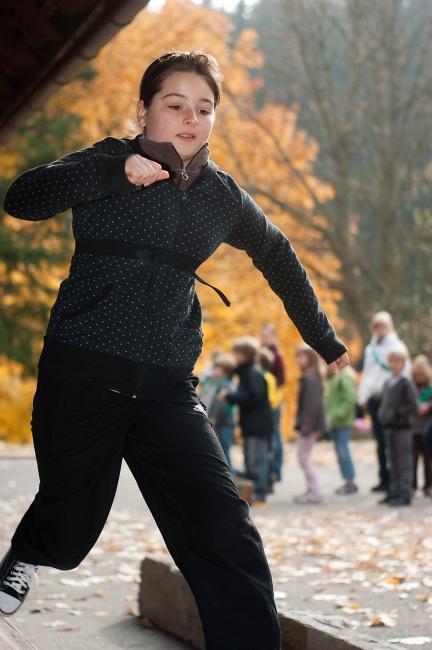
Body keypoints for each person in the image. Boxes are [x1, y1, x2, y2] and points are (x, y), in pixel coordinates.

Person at [0, 50, 348, 648]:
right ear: (144, 110)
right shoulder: (107, 158)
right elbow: (22, 198)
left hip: (166, 388)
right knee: (69, 523)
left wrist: (321, 337)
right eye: (175, 105)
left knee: (226, 533)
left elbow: (277, 252)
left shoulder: (221, 196)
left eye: (204, 109)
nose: (191, 119)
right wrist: (117, 173)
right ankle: (29, 551)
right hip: (83, 374)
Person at [358, 311, 409, 493]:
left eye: (383, 326)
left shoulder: (397, 347)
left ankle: (396, 481)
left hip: (390, 398)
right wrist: (362, 396)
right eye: (377, 327)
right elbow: (367, 373)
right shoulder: (370, 349)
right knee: (380, 441)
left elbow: (404, 374)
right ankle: (384, 478)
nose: (380, 330)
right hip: (374, 398)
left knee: (392, 441)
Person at [218, 337, 274, 505]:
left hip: (258, 424)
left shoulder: (252, 374)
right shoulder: (245, 373)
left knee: (257, 459)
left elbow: (254, 397)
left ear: (245, 355)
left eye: (237, 353)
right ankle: (255, 491)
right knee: (251, 459)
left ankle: (260, 492)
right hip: (251, 423)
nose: (234, 357)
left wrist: (230, 396)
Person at [377, 346, 418, 506]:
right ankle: (393, 490)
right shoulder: (387, 383)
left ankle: (404, 492)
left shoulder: (405, 383)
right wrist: (383, 415)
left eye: (397, 362)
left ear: (403, 363)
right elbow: (385, 404)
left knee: (403, 461)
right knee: (392, 460)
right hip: (389, 428)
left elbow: (412, 406)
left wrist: (397, 412)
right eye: (391, 361)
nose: (394, 364)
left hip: (403, 428)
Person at [294, 344, 327, 504]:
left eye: (301, 356)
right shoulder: (309, 376)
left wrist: (306, 426)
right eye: (297, 357)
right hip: (310, 424)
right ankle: (311, 489)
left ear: (310, 359)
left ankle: (315, 491)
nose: (298, 360)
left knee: (303, 458)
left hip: (311, 425)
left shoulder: (310, 378)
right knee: (303, 458)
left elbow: (311, 406)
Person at [326, 366, 358, 495]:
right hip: (334, 421)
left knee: (343, 451)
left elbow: (349, 399)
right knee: (339, 452)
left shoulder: (344, 378)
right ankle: (347, 481)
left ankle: (350, 481)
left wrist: (338, 414)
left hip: (342, 421)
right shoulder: (332, 378)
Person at [260, 324, 286, 483]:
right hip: (263, 400)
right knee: (269, 437)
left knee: (275, 434)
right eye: (262, 336)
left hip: (273, 400)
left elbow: (281, 380)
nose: (264, 339)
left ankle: (276, 468)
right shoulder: (260, 353)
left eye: (267, 336)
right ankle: (270, 469)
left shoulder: (277, 356)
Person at [257, 346, 283, 494]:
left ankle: (268, 478)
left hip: (268, 415)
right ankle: (269, 477)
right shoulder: (271, 377)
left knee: (267, 447)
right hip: (270, 413)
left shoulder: (265, 378)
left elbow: (273, 398)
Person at [205, 353, 237, 473]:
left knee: (224, 453)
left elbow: (222, 407)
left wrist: (214, 422)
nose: (213, 371)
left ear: (225, 371)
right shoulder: (214, 384)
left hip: (224, 425)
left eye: (216, 368)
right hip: (219, 424)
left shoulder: (225, 386)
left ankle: (230, 478)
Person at [411, 355, 432, 496]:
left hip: (426, 427)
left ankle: (428, 485)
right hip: (413, 428)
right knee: (412, 458)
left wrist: (428, 405)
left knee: (427, 459)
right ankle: (412, 485)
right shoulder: (411, 386)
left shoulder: (429, 388)